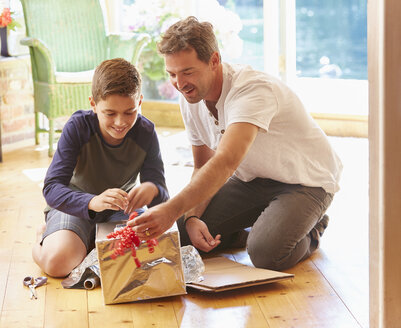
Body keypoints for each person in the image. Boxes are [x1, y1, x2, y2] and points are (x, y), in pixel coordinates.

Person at [129, 16, 342, 271]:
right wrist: (192, 216)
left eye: (187, 72)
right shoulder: (190, 96)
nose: (180, 83)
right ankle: (261, 225)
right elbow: (203, 165)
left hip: (304, 182)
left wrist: (171, 210)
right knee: (183, 234)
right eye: (172, 74)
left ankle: (311, 227)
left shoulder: (252, 90)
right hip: (252, 180)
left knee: (265, 253)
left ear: (214, 61)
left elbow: (226, 161)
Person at [33, 58, 169, 277]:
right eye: (110, 113)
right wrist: (92, 201)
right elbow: (51, 188)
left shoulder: (146, 132)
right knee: (57, 264)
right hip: (74, 205)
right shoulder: (77, 127)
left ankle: (85, 242)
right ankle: (42, 237)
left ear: (140, 102)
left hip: (120, 211)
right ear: (93, 104)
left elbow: (162, 194)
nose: (120, 122)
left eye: (130, 112)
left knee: (143, 263)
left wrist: (152, 189)